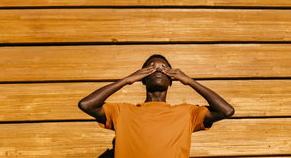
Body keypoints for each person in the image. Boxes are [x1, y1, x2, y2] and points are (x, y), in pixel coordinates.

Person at [78, 54, 235, 158]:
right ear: (143, 78)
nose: (158, 69)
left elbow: (226, 110)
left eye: (164, 68)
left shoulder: (187, 113)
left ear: (171, 79)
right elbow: (86, 105)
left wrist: (189, 81)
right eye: (151, 67)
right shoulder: (122, 111)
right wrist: (127, 79)